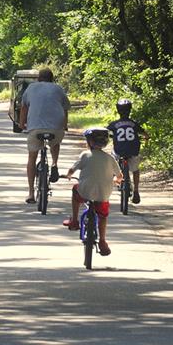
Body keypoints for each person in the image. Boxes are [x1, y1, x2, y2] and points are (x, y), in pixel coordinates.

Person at [62, 127, 121, 256]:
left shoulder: (85, 155)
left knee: (75, 190)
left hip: (84, 192)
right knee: (103, 216)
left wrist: (69, 175)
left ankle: (75, 221)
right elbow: (119, 176)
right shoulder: (110, 158)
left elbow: (72, 169)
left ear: (89, 142)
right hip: (103, 194)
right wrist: (117, 180)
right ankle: (103, 241)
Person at [18, 67, 70, 204]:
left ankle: (31, 193)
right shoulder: (58, 89)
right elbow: (65, 109)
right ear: (52, 78)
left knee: (32, 157)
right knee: (55, 142)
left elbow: (24, 107)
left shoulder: (31, 88)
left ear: (38, 79)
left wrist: (21, 124)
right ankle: (54, 164)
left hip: (35, 128)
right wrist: (64, 125)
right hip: (56, 128)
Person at [106, 98, 147, 204]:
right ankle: (136, 190)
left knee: (113, 157)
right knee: (135, 169)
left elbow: (106, 132)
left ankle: (116, 176)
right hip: (133, 150)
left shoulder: (114, 124)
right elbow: (145, 134)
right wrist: (146, 137)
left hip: (119, 151)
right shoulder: (133, 124)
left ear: (118, 110)